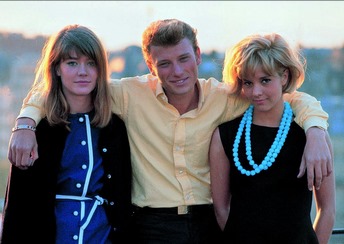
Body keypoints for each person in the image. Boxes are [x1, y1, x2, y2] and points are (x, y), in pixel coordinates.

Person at [8, 19, 332, 243]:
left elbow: (291, 97)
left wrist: (316, 131)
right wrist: (25, 123)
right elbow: (65, 87)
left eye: (183, 59)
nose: (177, 72)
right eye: (164, 64)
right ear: (151, 66)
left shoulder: (225, 97)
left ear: (198, 56)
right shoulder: (128, 94)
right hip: (152, 227)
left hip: (211, 225)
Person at [1, 25, 132, 244]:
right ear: (57, 68)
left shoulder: (114, 127)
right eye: (72, 63)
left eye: (91, 63)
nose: (83, 72)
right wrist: (25, 123)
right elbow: (17, 205)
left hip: (100, 236)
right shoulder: (37, 129)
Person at [209, 33, 336, 244]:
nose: (256, 91)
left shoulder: (312, 134)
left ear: (284, 77)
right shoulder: (225, 134)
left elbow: (328, 210)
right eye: (247, 83)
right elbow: (221, 208)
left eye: (265, 80)